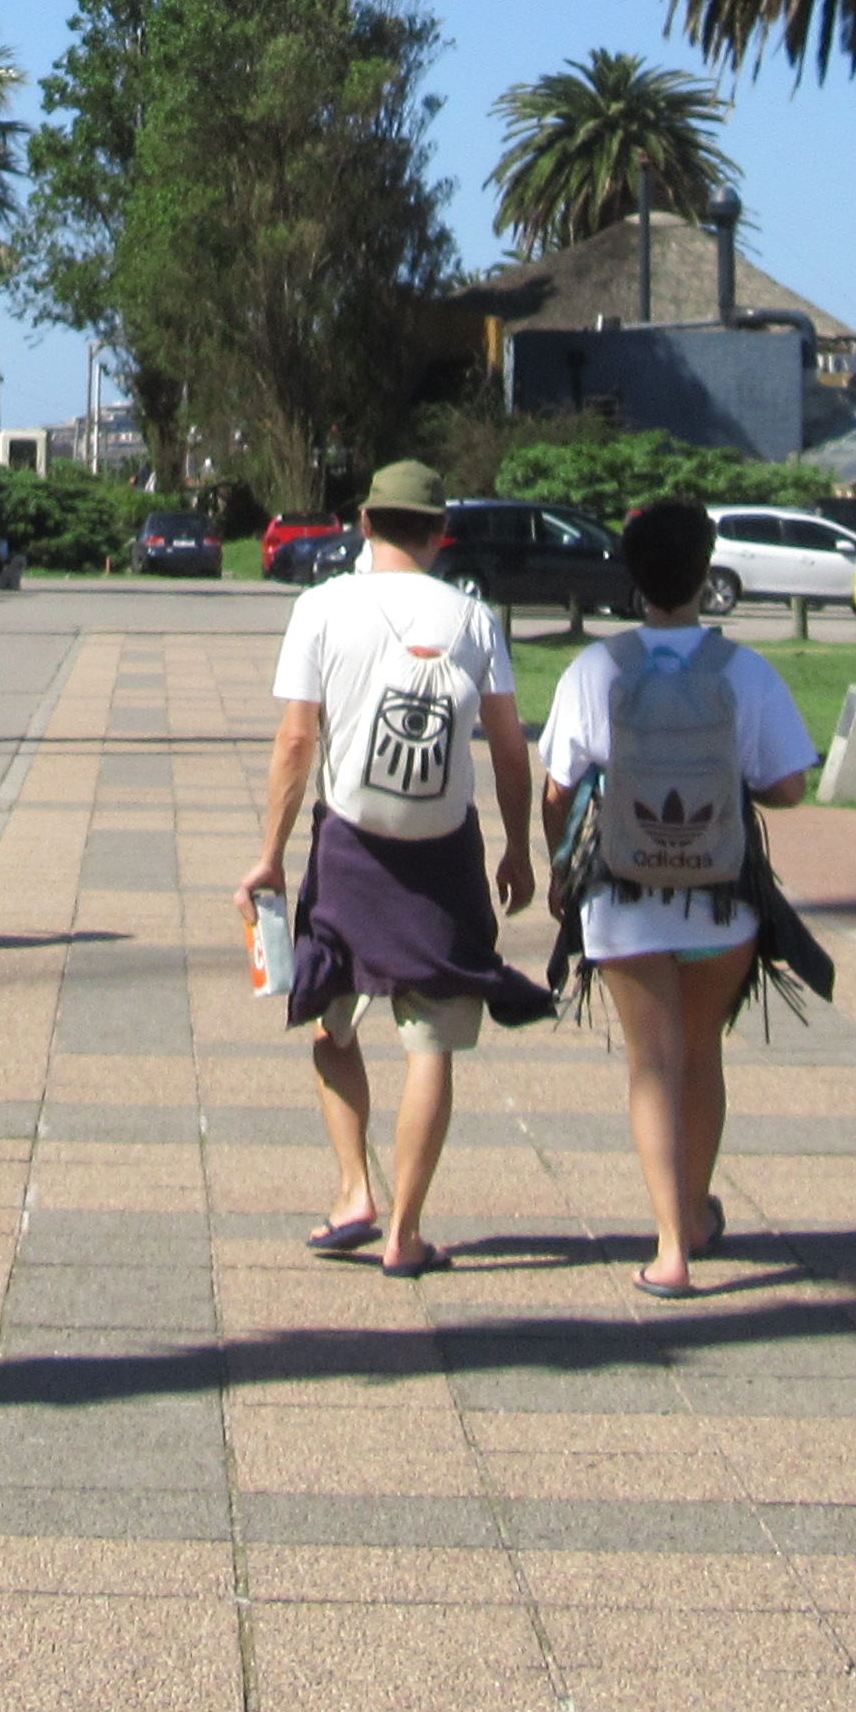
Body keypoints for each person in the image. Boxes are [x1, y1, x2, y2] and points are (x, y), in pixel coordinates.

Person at [239, 457, 545, 1276]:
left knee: (330, 1022)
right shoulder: (474, 619)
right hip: (446, 854)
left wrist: (270, 856)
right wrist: (517, 847)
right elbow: (510, 751)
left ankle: (353, 1191)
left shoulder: (322, 608)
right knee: (431, 1044)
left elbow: (298, 739)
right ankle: (406, 1232)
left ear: (366, 524)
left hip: (348, 844)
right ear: (440, 533)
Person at [540, 494, 820, 1295]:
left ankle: (670, 1248)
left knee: (650, 1064)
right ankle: (696, 1211)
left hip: (622, 896)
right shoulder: (744, 671)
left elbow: (560, 789)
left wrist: (554, 864)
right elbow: (790, 786)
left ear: (633, 576)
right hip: (721, 896)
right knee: (700, 1055)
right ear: (705, 573)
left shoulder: (598, 668)